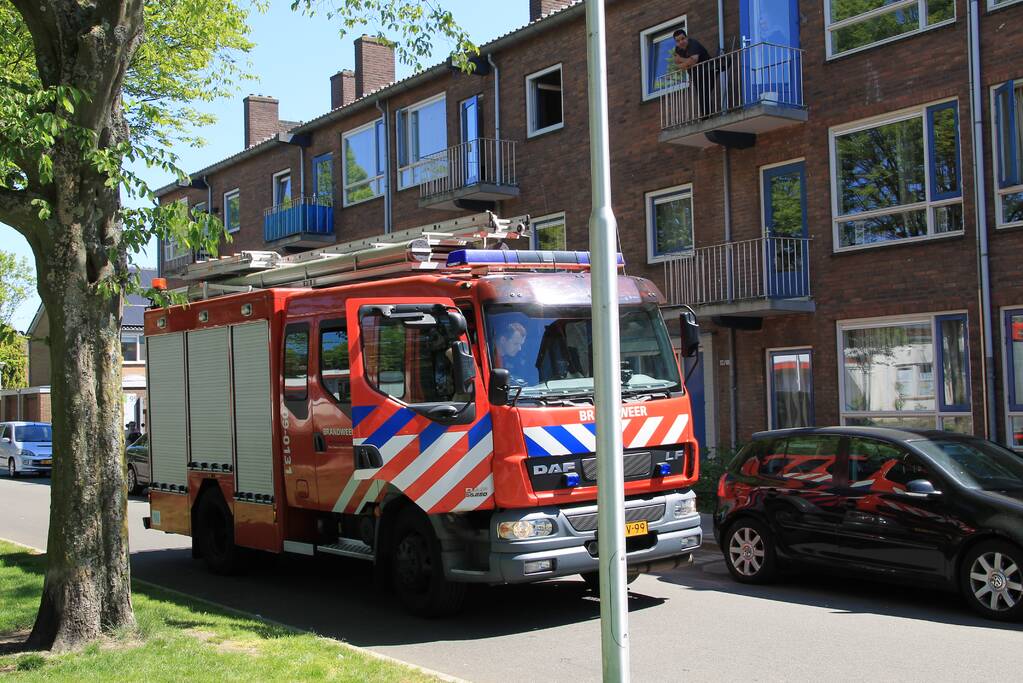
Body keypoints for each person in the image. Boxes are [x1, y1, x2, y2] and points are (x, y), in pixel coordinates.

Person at [671, 29, 717, 119]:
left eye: (682, 39)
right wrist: (687, 63)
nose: (681, 42)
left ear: (687, 38)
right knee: (701, 93)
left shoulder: (693, 44)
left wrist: (682, 60)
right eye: (678, 41)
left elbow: (694, 60)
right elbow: (679, 66)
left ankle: (707, 116)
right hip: (696, 74)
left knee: (704, 92)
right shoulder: (678, 50)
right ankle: (706, 116)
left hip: (708, 70)